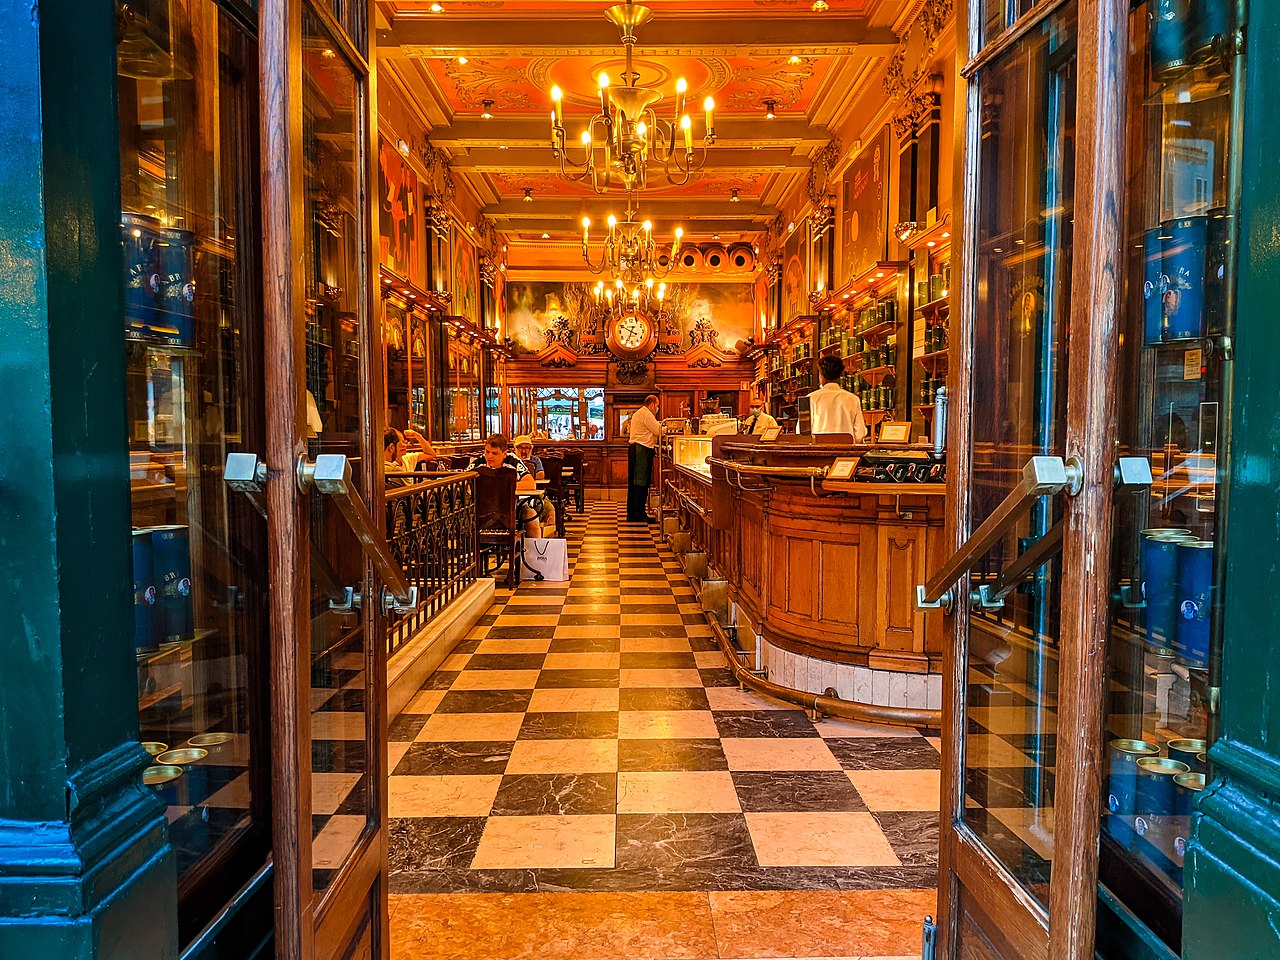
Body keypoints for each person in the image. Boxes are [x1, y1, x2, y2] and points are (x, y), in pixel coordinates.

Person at [469, 433, 543, 538]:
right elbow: (464, 481)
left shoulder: (513, 461)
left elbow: (530, 484)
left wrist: (500, 488)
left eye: (495, 453)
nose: (489, 456)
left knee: (531, 516)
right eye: (487, 452)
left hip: (513, 509)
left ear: (504, 453)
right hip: (481, 512)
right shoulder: (479, 462)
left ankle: (534, 552)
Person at [808, 354, 867, 441]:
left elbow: (802, 433)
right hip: (845, 452)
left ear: (821, 375)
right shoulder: (853, 399)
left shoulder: (810, 398)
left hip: (818, 452)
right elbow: (860, 433)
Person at [626, 394, 662, 523]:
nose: (657, 408)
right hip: (641, 450)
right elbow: (659, 431)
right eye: (657, 405)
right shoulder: (647, 414)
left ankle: (633, 513)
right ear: (652, 404)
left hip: (637, 449)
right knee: (640, 483)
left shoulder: (639, 413)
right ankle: (638, 514)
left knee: (635, 482)